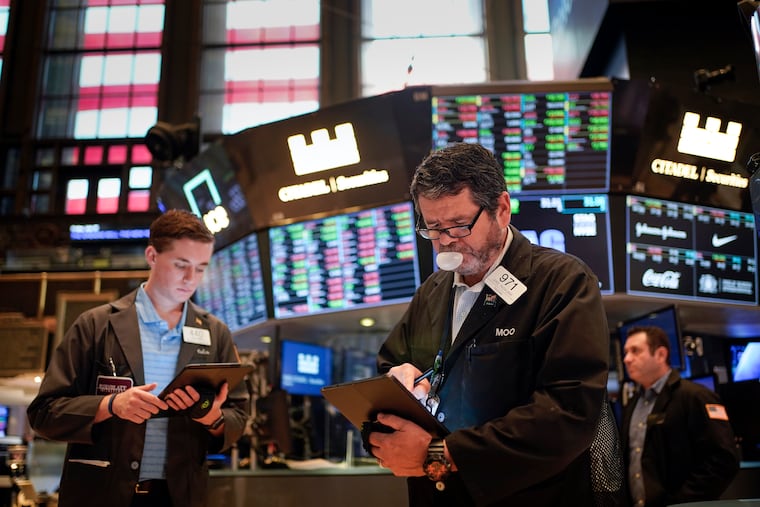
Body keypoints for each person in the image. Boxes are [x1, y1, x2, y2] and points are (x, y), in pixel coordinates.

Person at [367, 142, 624, 506]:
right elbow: (387, 371)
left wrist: (440, 453)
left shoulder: (561, 281)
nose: (445, 243)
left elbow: (567, 413)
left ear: (501, 210)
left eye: (458, 225)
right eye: (433, 228)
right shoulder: (432, 291)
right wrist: (396, 380)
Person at [27, 209, 249, 507]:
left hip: (179, 496)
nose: (190, 279)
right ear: (152, 256)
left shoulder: (215, 333)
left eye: (200, 268)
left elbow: (238, 417)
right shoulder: (96, 325)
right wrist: (110, 405)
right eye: (181, 265)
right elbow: (44, 413)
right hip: (101, 493)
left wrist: (211, 417)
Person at [621, 325, 740, 507]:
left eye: (635, 351)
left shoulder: (695, 396)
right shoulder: (633, 403)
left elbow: (724, 460)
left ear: (661, 354)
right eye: (626, 352)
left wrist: (681, 503)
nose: (627, 359)